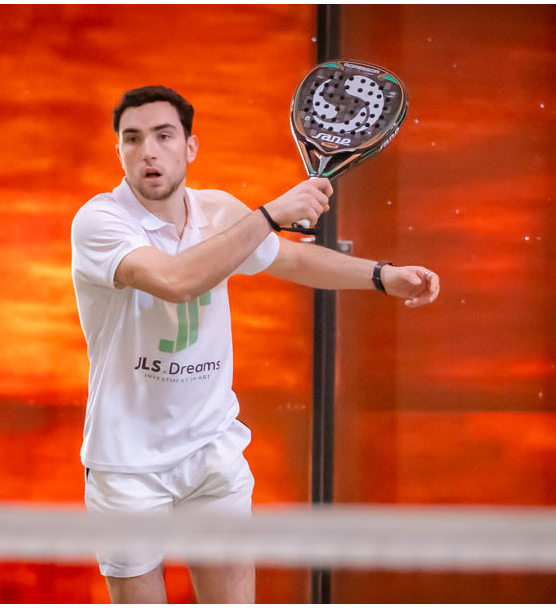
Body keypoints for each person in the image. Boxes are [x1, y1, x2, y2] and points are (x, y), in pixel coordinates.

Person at [70, 85, 440, 604]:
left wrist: (381, 275)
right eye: (132, 138)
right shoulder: (99, 221)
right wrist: (270, 214)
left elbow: (290, 259)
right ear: (119, 150)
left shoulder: (219, 211)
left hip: (211, 448)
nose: (148, 150)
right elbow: (176, 280)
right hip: (127, 465)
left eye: (163, 135)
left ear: (190, 147)